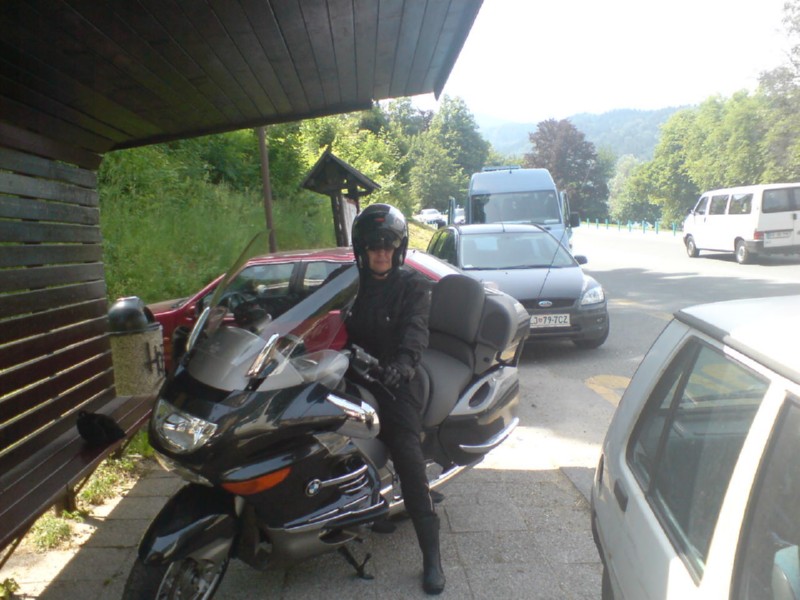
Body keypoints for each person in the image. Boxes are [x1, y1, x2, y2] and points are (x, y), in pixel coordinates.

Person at [345, 203, 446, 595]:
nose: (381, 253)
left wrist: (402, 365)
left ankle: (432, 555)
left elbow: (416, 332)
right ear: (362, 250)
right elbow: (316, 308)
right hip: (351, 373)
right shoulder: (350, 283)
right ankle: (364, 503)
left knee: (406, 451)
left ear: (399, 248)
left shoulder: (413, 286)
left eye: (388, 246)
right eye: (374, 246)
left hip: (394, 380)